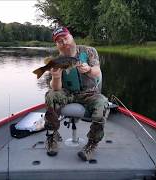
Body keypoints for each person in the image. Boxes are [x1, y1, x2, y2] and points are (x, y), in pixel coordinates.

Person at [44, 26, 109, 161]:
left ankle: (92, 143)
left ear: (71, 37)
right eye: (59, 41)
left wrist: (89, 70)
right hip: (68, 93)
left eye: (65, 38)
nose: (64, 42)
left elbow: (97, 71)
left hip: (89, 93)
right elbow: (55, 88)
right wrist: (56, 77)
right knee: (50, 95)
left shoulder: (89, 51)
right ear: (57, 45)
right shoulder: (57, 60)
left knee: (102, 103)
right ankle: (52, 136)